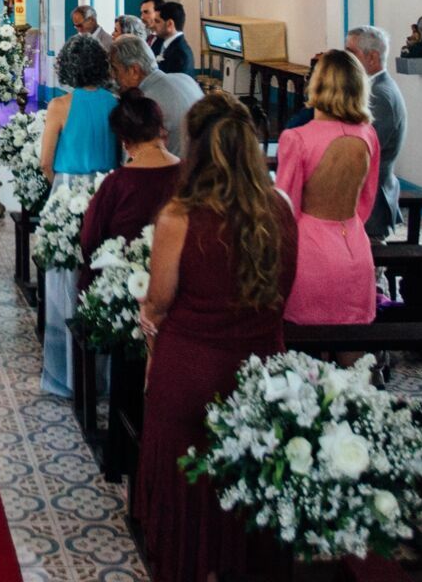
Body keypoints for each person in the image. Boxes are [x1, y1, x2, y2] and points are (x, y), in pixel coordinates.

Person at [137, 110, 297, 582]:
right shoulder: (282, 208)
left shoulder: (180, 217)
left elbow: (160, 299)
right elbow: (285, 287)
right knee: (247, 485)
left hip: (191, 372)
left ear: (197, 153)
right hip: (260, 373)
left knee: (187, 497)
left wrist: (146, 319)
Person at [36, 34, 119, 396]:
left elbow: (44, 162)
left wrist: (63, 185)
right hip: (108, 193)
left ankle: (67, 373)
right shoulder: (115, 103)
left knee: (65, 284)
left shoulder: (59, 106)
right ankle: (103, 376)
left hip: (68, 192)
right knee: (102, 281)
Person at [275, 49, 382, 325]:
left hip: (310, 252)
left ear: (317, 83)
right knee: (352, 350)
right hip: (356, 247)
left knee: (309, 355)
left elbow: (285, 208)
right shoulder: (367, 134)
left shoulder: (297, 138)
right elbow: (366, 200)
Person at [78, 92, 180, 277]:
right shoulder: (188, 173)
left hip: (124, 280)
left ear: (124, 141)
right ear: (161, 129)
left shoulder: (118, 182)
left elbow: (89, 240)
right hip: (176, 274)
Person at [345, 25, 408, 240]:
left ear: (372, 58)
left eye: (351, 53)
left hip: (371, 199)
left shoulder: (380, 96)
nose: (346, 59)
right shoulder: (373, 89)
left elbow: (361, 151)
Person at [108, 35, 204, 158]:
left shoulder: (145, 104)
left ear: (134, 71)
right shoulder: (185, 79)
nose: (113, 77)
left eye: (115, 70)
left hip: (174, 174)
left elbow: (135, 160)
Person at [154, 2, 194, 76]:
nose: (153, 25)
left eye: (157, 21)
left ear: (169, 24)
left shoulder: (180, 54)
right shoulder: (163, 44)